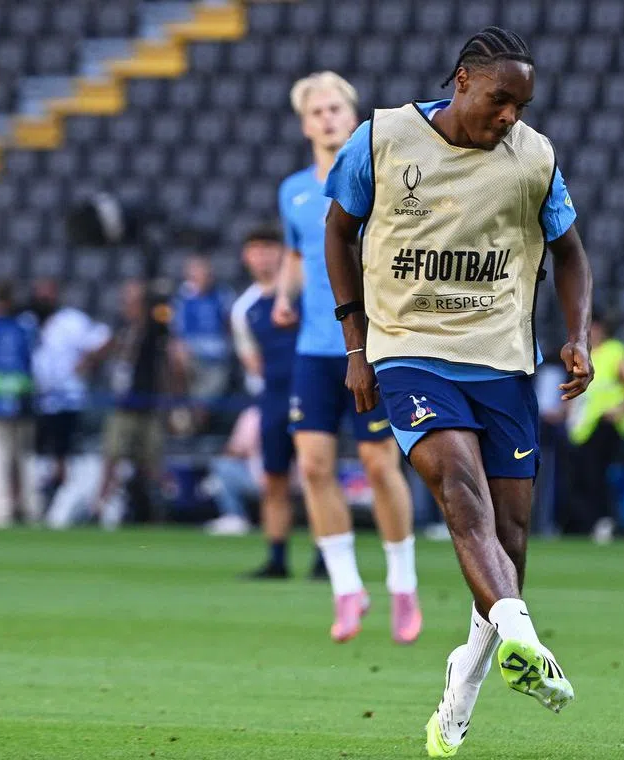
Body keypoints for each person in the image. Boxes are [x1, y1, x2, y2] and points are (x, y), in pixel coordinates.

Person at [322, 27, 594, 757]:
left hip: (501, 360)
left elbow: (570, 253)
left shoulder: (534, 158)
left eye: (523, 104)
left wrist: (579, 334)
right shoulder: (381, 139)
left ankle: (465, 686)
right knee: (459, 490)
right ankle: (530, 641)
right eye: (500, 99)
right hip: (409, 353)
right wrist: (357, 343)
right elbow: (338, 231)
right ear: (464, 80)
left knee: (510, 540)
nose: (510, 116)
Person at [275, 71, 421, 644]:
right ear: (305, 122)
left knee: (380, 466)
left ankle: (402, 586)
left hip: (371, 343)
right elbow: (296, 250)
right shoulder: (293, 190)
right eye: (317, 112)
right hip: (313, 348)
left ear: (353, 115)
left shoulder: (380, 179)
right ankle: (346, 588)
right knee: (312, 466)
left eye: (336, 108)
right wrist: (283, 298)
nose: (327, 118)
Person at [228, 225, 305, 576]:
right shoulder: (245, 309)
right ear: (246, 257)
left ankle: (327, 559)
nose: (262, 256)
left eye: (269, 247)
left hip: (310, 390)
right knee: (273, 478)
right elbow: (252, 359)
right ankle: (277, 557)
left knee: (316, 474)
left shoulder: (304, 292)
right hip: (273, 396)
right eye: (255, 249)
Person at [85, 280, 179, 528]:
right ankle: (99, 508)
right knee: (112, 458)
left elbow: (167, 360)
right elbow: (106, 351)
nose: (127, 305)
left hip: (147, 405)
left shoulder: (153, 329)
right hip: (123, 406)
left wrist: (171, 401)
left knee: (152, 462)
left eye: (133, 300)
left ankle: (167, 508)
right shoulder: (123, 329)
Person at [564, 311, 624, 542]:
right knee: (581, 475)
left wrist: (621, 409)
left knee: (594, 473)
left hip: (605, 424)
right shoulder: (581, 355)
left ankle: (603, 521)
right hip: (582, 427)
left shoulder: (614, 351)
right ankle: (585, 523)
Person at [29, 278, 111, 497]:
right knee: (38, 454)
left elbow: (103, 337)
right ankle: (43, 495)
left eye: (47, 294)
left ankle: (65, 496)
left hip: (67, 397)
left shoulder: (71, 320)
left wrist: (88, 361)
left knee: (63, 452)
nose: (43, 299)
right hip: (38, 398)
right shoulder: (29, 322)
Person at [0, 281, 39, 527]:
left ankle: (1, 511)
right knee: (24, 458)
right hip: (21, 398)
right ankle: (31, 508)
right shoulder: (25, 327)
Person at [171, 253, 235, 419]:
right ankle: (178, 408)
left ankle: (195, 421)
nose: (198, 278)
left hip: (216, 358)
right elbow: (177, 332)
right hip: (190, 358)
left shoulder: (223, 295)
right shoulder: (182, 298)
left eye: (203, 273)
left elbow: (231, 327)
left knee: (205, 399)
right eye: (194, 275)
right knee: (173, 355)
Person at [203, 405, 262, 537]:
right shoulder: (297, 410)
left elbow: (237, 448)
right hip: (296, 479)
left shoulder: (254, 414)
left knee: (221, 465)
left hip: (261, 478)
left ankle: (234, 516)